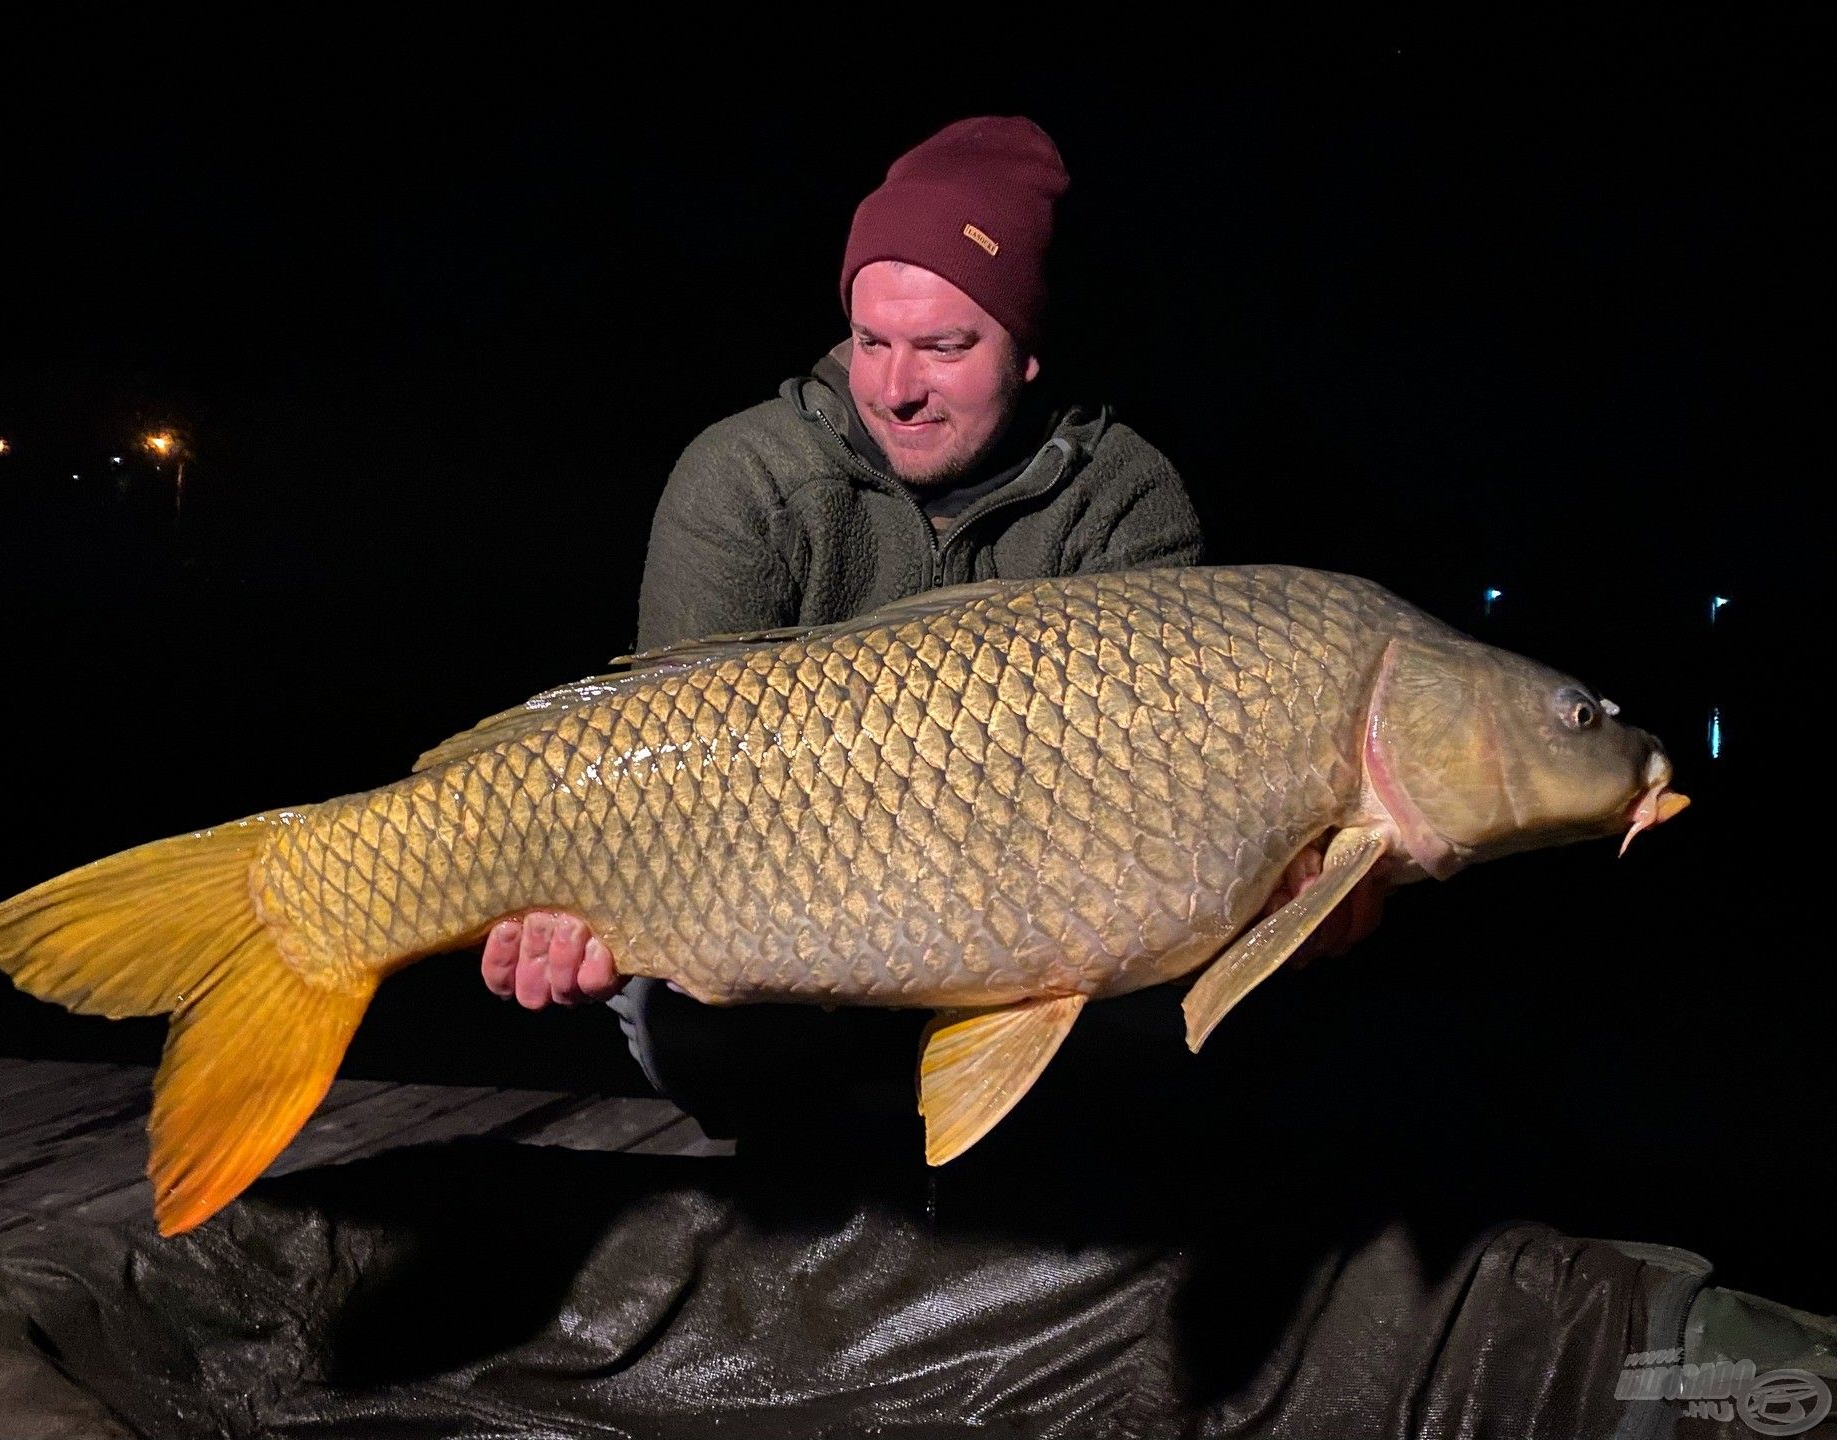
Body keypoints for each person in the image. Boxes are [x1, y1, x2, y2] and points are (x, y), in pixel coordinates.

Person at [478, 115, 1374, 1132]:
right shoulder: (745, 478)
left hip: (1034, 923)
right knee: (700, 1033)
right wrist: (575, 901)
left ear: (1027, 351)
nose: (895, 390)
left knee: (1163, 1028)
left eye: (945, 347)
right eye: (871, 342)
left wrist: (1285, 875)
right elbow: (656, 742)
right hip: (773, 933)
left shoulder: (1125, 497)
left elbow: (1161, 797)